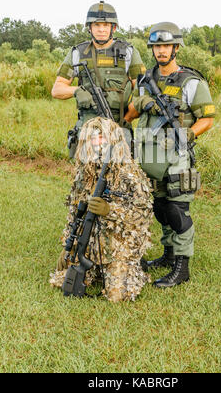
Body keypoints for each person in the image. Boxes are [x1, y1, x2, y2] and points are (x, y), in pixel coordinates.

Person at [124, 22, 215, 288]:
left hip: (178, 156)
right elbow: (130, 114)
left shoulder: (190, 82)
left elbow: (207, 118)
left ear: (175, 48)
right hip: (151, 157)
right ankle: (168, 254)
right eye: (156, 46)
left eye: (166, 46)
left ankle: (182, 266)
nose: (161, 51)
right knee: (160, 209)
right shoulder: (144, 81)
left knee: (178, 210)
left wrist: (188, 134)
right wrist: (141, 103)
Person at [50, 117, 153, 302]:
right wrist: (68, 246)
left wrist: (110, 210)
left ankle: (124, 268)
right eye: (92, 138)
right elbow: (75, 213)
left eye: (102, 137)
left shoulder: (129, 172)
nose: (97, 143)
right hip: (89, 242)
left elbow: (143, 213)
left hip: (118, 244)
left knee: (117, 296)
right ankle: (93, 268)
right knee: (62, 280)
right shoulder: (84, 172)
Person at [51, 1, 146, 158]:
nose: (101, 29)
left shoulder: (128, 52)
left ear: (113, 28)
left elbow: (142, 90)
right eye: (96, 25)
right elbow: (57, 89)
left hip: (119, 124)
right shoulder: (78, 53)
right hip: (89, 127)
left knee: (122, 178)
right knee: (86, 179)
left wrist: (127, 119)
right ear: (89, 28)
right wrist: (77, 91)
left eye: (106, 25)